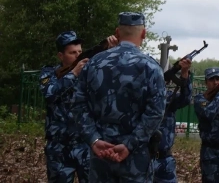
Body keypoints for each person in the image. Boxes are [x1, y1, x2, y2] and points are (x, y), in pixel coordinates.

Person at [71, 12, 166, 183]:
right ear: (143, 33)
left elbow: (78, 104)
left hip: (100, 154)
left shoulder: (94, 63)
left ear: (117, 32)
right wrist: (130, 144)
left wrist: (94, 139)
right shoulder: (151, 67)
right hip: (135, 158)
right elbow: (155, 113)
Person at [39, 30, 118, 183]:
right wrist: (74, 73)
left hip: (86, 143)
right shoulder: (49, 73)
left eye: (79, 52)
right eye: (72, 52)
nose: (77, 55)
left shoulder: (89, 72)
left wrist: (109, 52)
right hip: (59, 146)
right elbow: (50, 94)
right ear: (61, 56)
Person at [153, 63, 193, 183]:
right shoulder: (141, 97)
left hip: (165, 159)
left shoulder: (170, 97)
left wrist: (185, 75)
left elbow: (186, 98)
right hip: (143, 159)